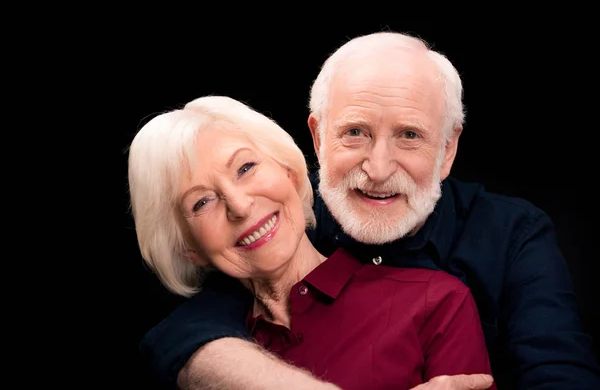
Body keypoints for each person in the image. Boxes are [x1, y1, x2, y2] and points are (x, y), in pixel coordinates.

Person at [138, 32, 600, 389]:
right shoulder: (276, 220)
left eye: (410, 135)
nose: (377, 170)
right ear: (318, 139)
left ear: (447, 150)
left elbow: (558, 374)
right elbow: (181, 336)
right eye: (355, 132)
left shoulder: (511, 236)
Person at [128, 95, 497, 390]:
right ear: (187, 248)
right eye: (201, 202)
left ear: (289, 172)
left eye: (245, 168)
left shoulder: (436, 302)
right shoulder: (195, 360)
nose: (239, 206)